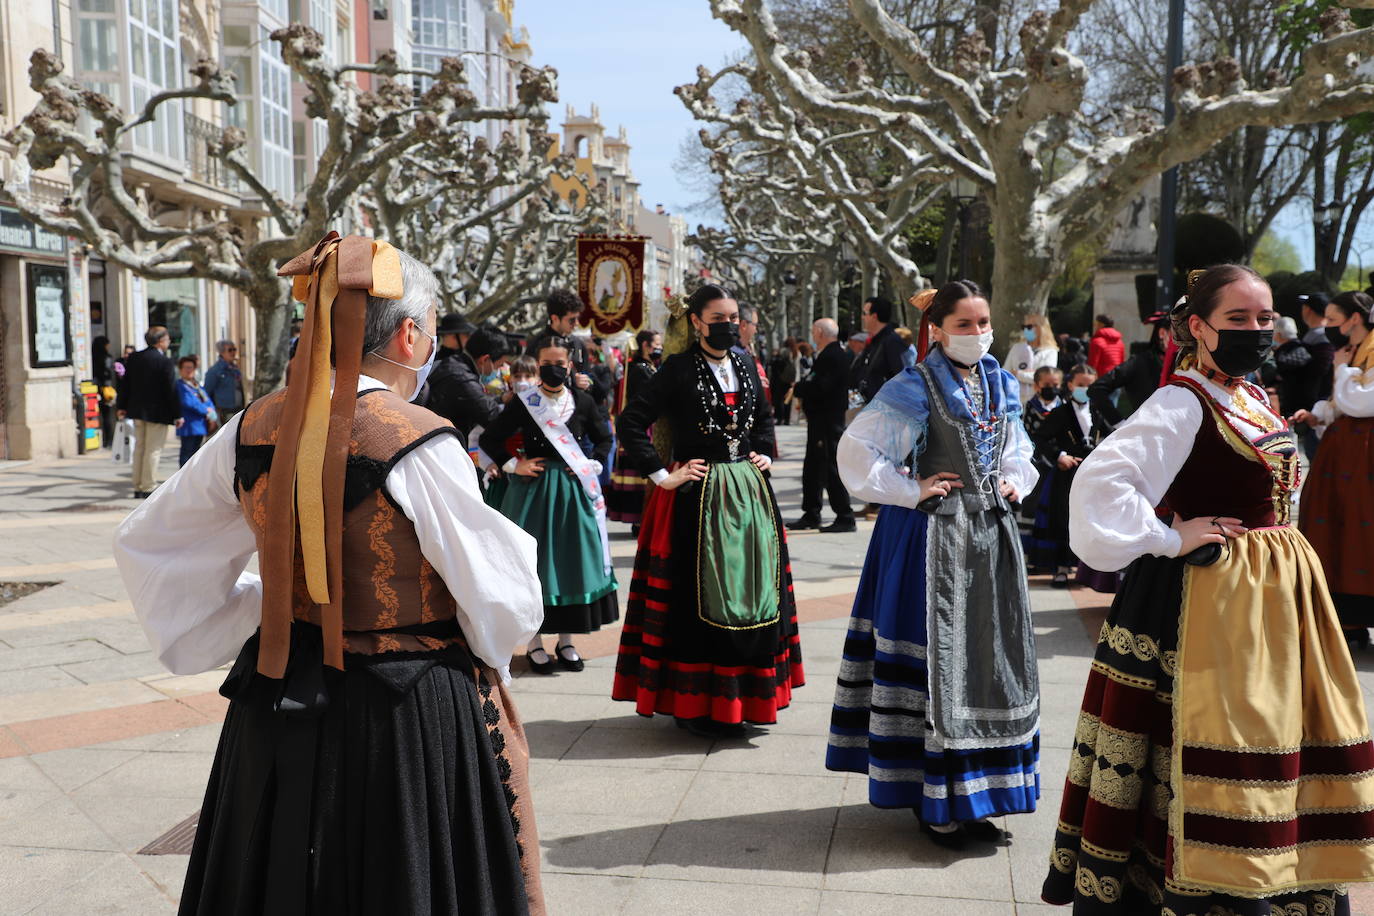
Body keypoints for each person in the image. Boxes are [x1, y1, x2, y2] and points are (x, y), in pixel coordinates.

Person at [113, 236, 546, 914]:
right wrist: (490, 666)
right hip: (403, 714)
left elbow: (149, 544)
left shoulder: (250, 426)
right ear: (410, 335)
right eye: (431, 332)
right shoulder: (418, 438)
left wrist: (266, 606)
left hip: (278, 696)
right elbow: (502, 596)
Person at [1043, 264, 1374, 913]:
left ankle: (1273, 873)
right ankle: (1208, 886)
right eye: (1238, 320)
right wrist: (1171, 535)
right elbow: (1098, 486)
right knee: (1211, 745)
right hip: (1207, 605)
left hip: (1272, 605)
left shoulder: (1251, 396)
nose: (1256, 331)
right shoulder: (1180, 401)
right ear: (1198, 327)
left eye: (1263, 318)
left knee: (1273, 742)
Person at [827, 280, 1040, 849]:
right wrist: (907, 487)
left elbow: (1018, 448)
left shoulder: (998, 380)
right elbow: (856, 451)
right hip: (929, 539)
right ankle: (935, 800)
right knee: (938, 665)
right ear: (938, 330)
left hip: (989, 537)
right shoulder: (915, 384)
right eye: (965, 324)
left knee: (986, 662)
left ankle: (978, 796)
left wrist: (1014, 480)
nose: (977, 333)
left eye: (983, 322)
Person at [612, 283, 805, 738]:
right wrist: (662, 475)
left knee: (757, 591)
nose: (729, 325)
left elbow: (762, 417)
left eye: (734, 317)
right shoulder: (676, 369)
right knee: (699, 598)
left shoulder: (744, 363)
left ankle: (747, 702)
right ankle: (697, 705)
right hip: (699, 500)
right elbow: (631, 421)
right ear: (696, 322)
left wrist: (765, 454)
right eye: (718, 318)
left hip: (751, 495)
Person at [480, 336, 617, 675]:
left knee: (570, 562)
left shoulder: (582, 401)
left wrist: (592, 464)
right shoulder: (524, 402)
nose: (553, 368)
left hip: (571, 493)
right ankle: (535, 643)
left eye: (560, 362)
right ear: (537, 364)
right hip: (532, 494)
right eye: (546, 363)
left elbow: (605, 438)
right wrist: (515, 465)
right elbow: (489, 438)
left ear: (570, 365)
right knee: (535, 565)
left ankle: (567, 641)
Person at [1294, 290, 1374, 650]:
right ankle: (1348, 618)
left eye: (1331, 319)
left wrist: (1342, 370)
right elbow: (1340, 403)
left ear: (1353, 318)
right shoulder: (1354, 351)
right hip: (1345, 453)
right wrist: (1318, 414)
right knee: (1337, 528)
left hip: (1364, 456)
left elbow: (1361, 402)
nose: (1326, 327)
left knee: (1360, 528)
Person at [1030, 364, 1114, 589]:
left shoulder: (1098, 411)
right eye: (1080, 385)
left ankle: (1084, 568)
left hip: (1092, 474)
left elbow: (1113, 434)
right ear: (1070, 385)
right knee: (1063, 518)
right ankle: (1060, 569)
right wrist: (1059, 456)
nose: (1085, 390)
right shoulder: (1061, 412)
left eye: (1090, 385)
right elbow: (1040, 437)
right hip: (1067, 474)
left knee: (1089, 518)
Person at [788, 318, 855, 533]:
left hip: (828, 421)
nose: (811, 335)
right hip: (820, 420)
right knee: (814, 468)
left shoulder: (834, 355)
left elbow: (821, 386)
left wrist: (800, 388)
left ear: (819, 332)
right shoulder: (828, 354)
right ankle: (811, 513)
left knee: (829, 467)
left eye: (813, 331)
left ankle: (844, 515)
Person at [115, 326, 180, 498]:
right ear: (160, 341)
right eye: (167, 339)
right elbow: (170, 390)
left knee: (140, 448)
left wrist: (122, 406)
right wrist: (177, 414)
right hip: (158, 412)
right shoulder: (164, 362)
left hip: (137, 410)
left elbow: (125, 385)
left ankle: (137, 484)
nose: (169, 342)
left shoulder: (135, 358)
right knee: (153, 449)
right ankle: (148, 485)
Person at [420, 319, 504, 444]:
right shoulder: (461, 376)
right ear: (485, 359)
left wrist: (501, 400)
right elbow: (492, 416)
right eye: (498, 365)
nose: (497, 371)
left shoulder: (457, 365)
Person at [608, 330, 660, 526]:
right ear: (646, 345)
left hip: (647, 424)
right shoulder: (640, 369)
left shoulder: (646, 367)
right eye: (656, 343)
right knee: (641, 472)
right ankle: (639, 519)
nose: (659, 348)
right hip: (643, 426)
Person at [1086, 313, 1169, 426]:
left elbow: (1093, 364)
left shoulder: (1097, 341)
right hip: (1115, 376)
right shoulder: (1121, 344)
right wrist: (1119, 423)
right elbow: (1119, 359)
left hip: (1107, 374)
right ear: (1162, 333)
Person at [525, 288, 603, 403]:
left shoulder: (578, 344)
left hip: (575, 406)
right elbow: (528, 379)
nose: (576, 324)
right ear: (555, 318)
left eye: (578, 318)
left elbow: (588, 375)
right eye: (572, 320)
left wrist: (586, 383)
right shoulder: (536, 345)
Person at [1020, 366, 1063, 572]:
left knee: (1052, 510)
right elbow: (1026, 433)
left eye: (1055, 385)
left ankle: (1050, 558)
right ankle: (1026, 555)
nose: (1051, 389)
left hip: (1057, 466)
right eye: (1047, 385)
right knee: (1031, 508)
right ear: (1037, 386)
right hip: (1036, 463)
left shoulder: (1063, 408)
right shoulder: (1030, 407)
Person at [852, 296, 908, 403]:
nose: (863, 318)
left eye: (864, 313)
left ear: (874, 316)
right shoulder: (875, 341)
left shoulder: (892, 341)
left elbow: (902, 377)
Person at [1003, 313, 1060, 404]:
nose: (1026, 330)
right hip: (1014, 399)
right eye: (1024, 327)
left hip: (1037, 401)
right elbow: (1005, 372)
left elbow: (1044, 378)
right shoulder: (1017, 347)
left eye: (1029, 327)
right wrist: (1031, 374)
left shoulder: (1050, 352)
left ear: (1041, 328)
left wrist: (1018, 374)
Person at [1271, 315, 1317, 418]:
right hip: (1307, 404)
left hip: (1292, 407)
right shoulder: (1305, 348)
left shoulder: (1282, 355)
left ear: (1278, 335)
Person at [175, 355, 216, 467]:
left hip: (200, 425)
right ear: (180, 370)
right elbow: (189, 402)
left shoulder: (196, 385)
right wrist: (206, 410)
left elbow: (207, 400)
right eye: (186, 367)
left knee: (196, 455)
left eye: (191, 367)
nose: (189, 370)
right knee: (187, 455)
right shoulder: (180, 385)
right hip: (189, 426)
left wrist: (212, 412)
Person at [202, 340, 246, 427]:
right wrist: (211, 413)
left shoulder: (235, 369)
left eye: (234, 349)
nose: (233, 352)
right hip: (224, 413)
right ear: (221, 352)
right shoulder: (215, 371)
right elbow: (206, 393)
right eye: (230, 350)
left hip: (238, 410)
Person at [769, 337, 798, 424]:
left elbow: (775, 367)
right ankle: (787, 419)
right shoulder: (795, 353)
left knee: (779, 400)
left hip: (779, 381)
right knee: (788, 399)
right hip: (789, 380)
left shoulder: (779, 357)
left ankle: (780, 418)